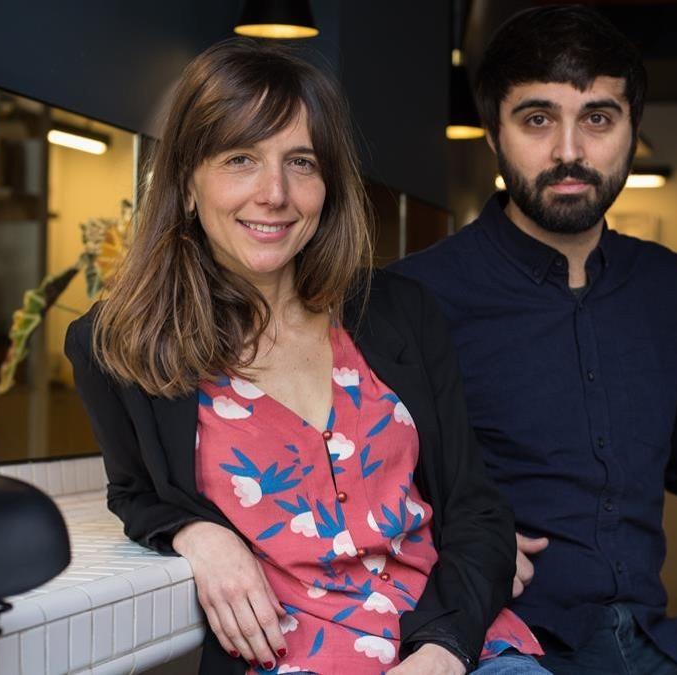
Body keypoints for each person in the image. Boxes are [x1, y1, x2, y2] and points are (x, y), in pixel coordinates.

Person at [67, 38, 548, 675]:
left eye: (301, 162)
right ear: (187, 182)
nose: (275, 193)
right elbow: (134, 491)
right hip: (294, 661)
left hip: (457, 648)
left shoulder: (400, 313)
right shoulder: (117, 346)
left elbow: (474, 507)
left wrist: (442, 653)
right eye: (240, 159)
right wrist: (197, 535)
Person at [390, 6, 677, 675]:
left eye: (598, 117)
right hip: (506, 643)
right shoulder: (415, 293)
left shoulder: (664, 282)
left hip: (658, 642)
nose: (569, 150)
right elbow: (354, 475)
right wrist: (457, 543)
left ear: (631, 130)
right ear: (493, 133)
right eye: (537, 118)